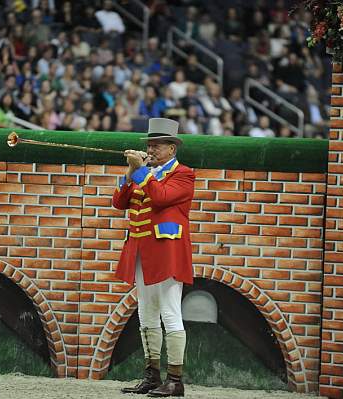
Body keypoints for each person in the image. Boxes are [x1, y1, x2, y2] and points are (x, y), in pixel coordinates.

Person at [113, 118, 195, 397]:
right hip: (140, 251)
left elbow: (159, 198)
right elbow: (119, 203)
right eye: (149, 145)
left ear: (172, 148)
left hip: (167, 252)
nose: (151, 150)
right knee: (146, 314)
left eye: (157, 146)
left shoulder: (183, 174)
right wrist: (130, 171)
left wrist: (140, 172)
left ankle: (175, 380)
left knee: (171, 313)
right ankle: (151, 375)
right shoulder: (143, 172)